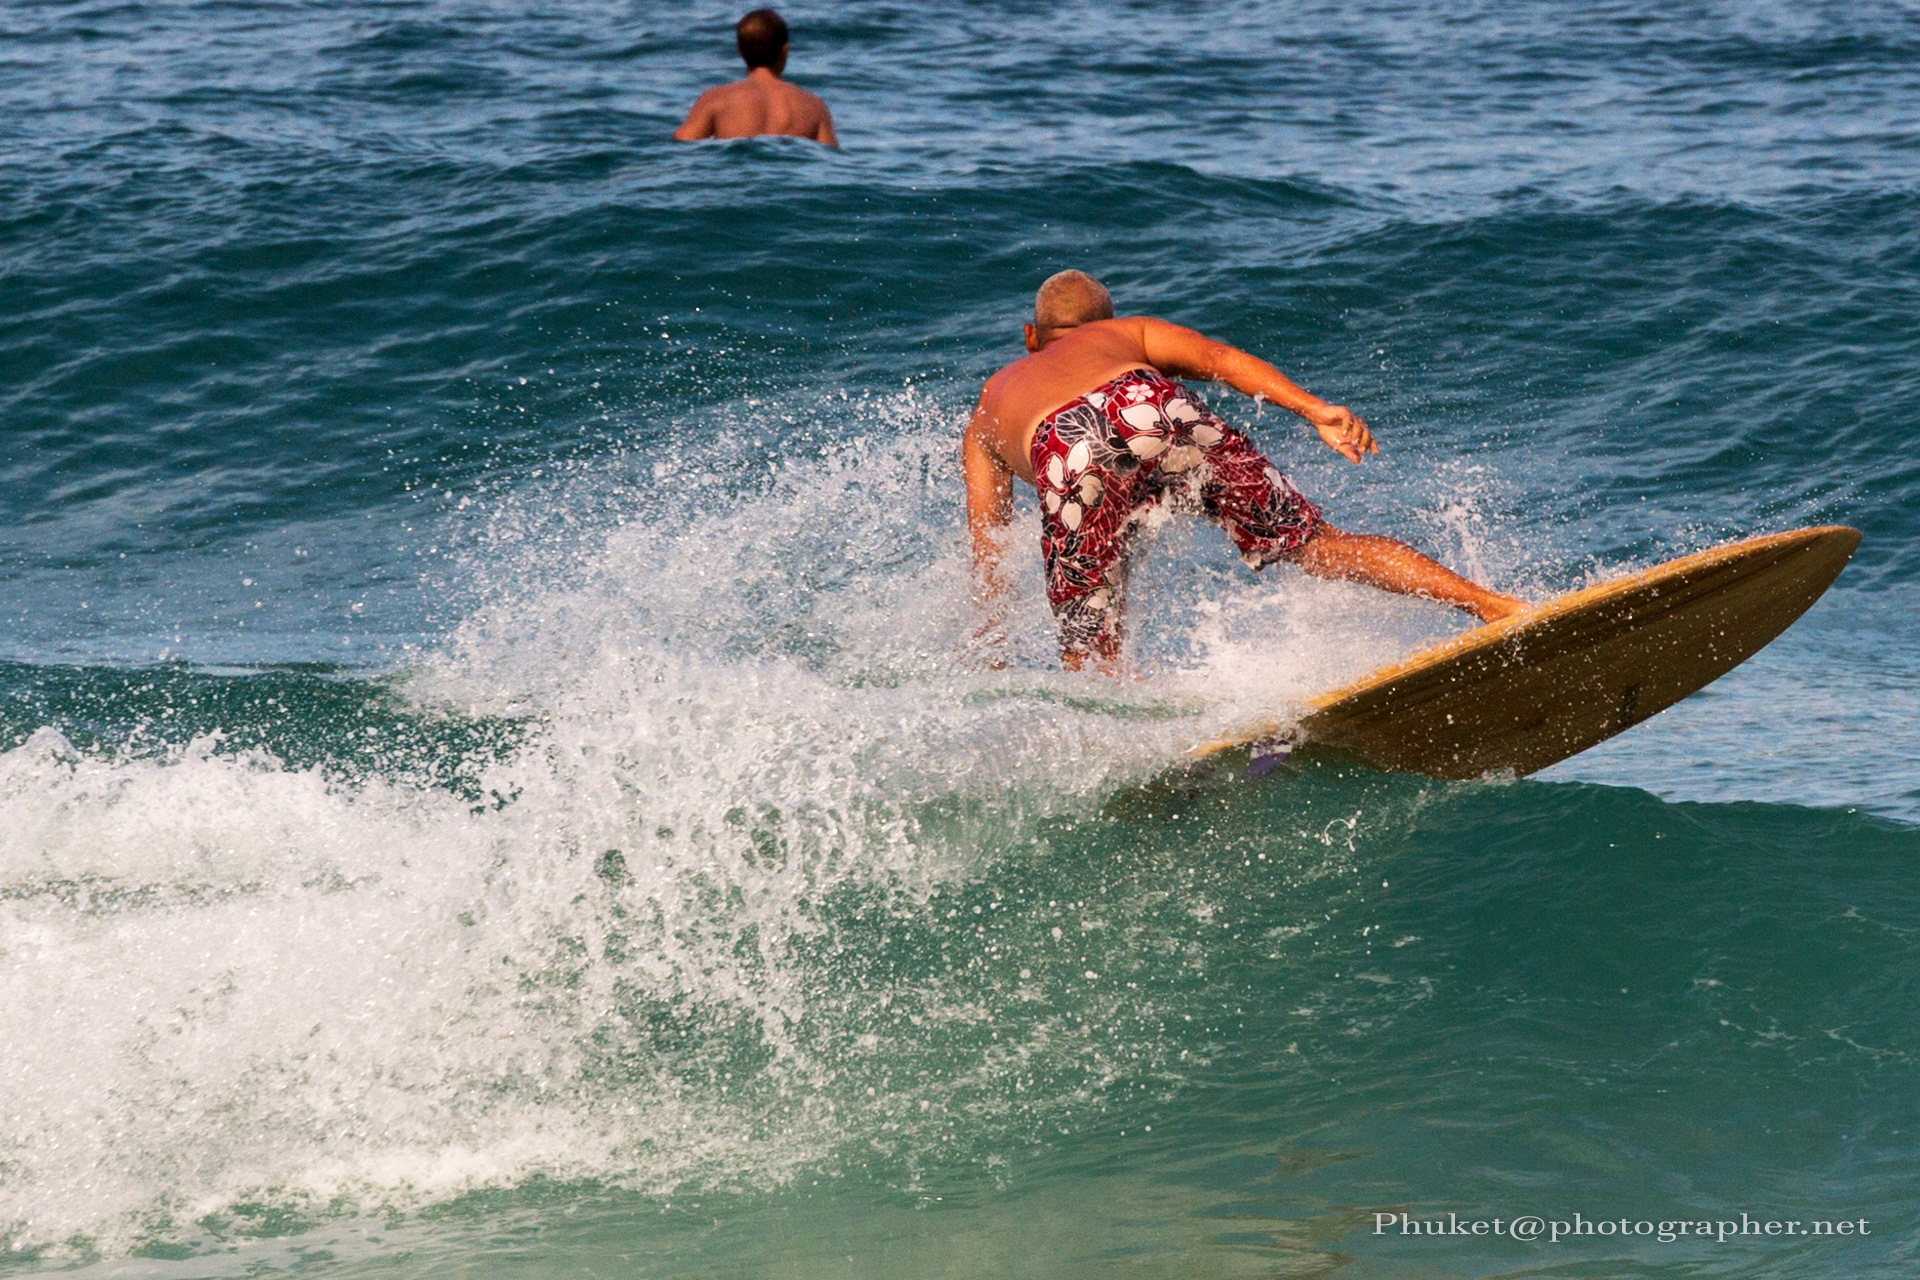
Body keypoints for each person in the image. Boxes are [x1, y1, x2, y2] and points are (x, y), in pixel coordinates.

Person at [963, 270, 1528, 672]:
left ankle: (1140, 757)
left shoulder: (990, 407)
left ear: (1030, 338)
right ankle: (1493, 606)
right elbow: (1220, 361)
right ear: (1102, 322)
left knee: (1089, 645)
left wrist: (991, 644)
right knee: (1315, 545)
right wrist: (1314, 410)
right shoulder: (1123, 333)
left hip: (1062, 447)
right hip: (1146, 401)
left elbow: (988, 545)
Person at [672, 9, 838, 146]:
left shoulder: (715, 99)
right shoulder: (814, 107)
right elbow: (831, 162)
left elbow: (680, 147)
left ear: (739, 49)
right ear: (785, 50)